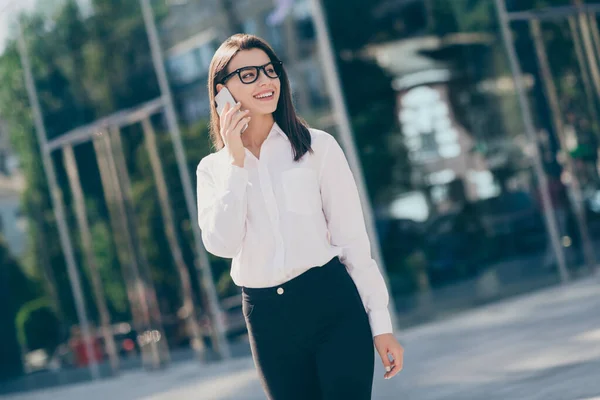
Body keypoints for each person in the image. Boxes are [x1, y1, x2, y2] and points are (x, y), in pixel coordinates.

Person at [196, 34, 404, 399]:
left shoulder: (317, 147)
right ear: (221, 92)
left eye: (270, 70)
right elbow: (222, 244)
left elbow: (353, 242)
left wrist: (380, 324)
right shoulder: (213, 170)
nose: (265, 81)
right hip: (268, 320)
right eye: (248, 75)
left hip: (333, 306)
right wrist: (235, 162)